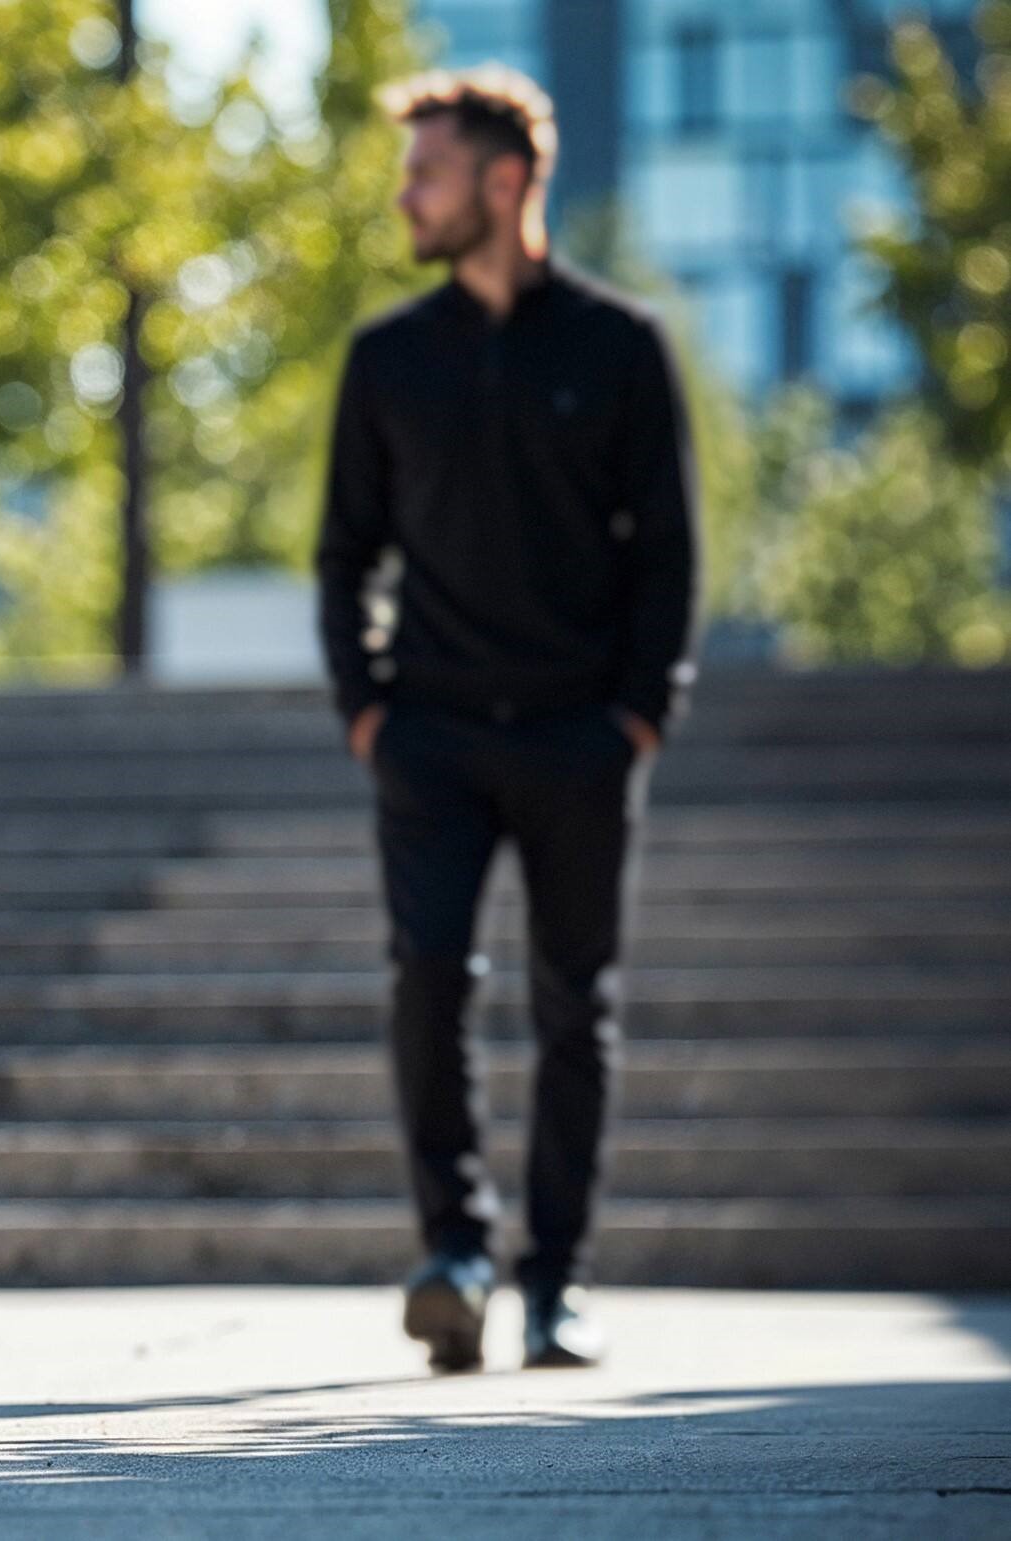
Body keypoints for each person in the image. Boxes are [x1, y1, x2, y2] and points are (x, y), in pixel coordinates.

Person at [315, 66, 698, 1373]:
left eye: (425, 170)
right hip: (427, 734)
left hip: (577, 735)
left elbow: (669, 552)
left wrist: (638, 714)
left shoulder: (618, 345)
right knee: (428, 980)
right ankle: (456, 1255)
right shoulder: (385, 358)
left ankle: (553, 1284)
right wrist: (366, 709)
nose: (404, 193)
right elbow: (339, 554)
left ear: (503, 181)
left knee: (571, 1003)